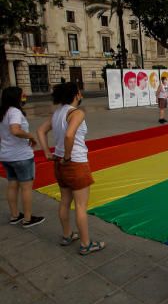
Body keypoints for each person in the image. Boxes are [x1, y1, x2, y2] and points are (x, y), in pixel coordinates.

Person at [36, 83, 104, 254]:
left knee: (65, 201)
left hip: (59, 163)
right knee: (81, 206)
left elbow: (40, 131)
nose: (80, 94)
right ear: (76, 95)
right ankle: (86, 244)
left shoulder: (57, 113)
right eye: (79, 92)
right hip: (75, 163)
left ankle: (67, 235)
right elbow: (69, 135)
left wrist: (46, 152)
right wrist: (67, 156)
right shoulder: (77, 112)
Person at [0, 87, 45, 228]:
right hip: (20, 156)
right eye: (22, 94)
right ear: (16, 97)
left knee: (12, 185)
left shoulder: (3, 112)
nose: (24, 96)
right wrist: (30, 136)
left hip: (6, 156)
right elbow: (15, 130)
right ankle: (27, 218)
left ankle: (15, 215)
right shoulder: (14, 111)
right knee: (26, 187)